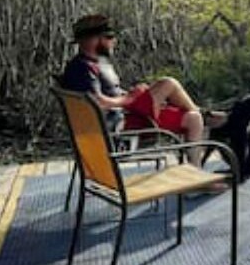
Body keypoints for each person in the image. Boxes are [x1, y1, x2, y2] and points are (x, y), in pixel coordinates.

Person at [61, 14, 224, 167]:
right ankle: (205, 115)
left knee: (192, 119)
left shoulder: (97, 63)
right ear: (92, 40)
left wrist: (130, 94)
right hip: (121, 130)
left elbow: (109, 96)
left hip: (128, 117)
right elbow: (97, 102)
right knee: (168, 83)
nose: (114, 41)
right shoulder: (81, 69)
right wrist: (130, 98)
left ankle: (195, 176)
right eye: (109, 37)